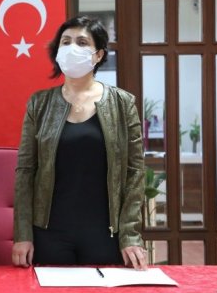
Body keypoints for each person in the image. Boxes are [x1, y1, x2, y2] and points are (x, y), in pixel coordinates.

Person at [12, 15, 147, 270]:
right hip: (49, 232)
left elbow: (134, 172)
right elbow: (25, 171)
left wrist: (130, 234)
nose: (72, 48)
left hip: (106, 232)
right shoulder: (39, 104)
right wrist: (22, 234)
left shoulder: (123, 103)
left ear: (98, 55)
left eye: (82, 42)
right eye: (66, 42)